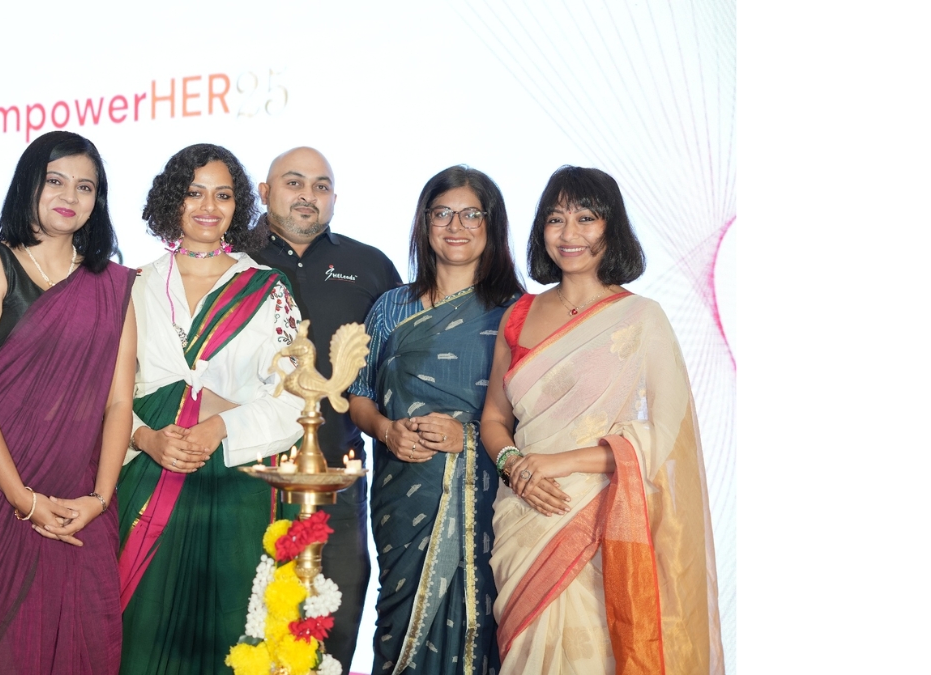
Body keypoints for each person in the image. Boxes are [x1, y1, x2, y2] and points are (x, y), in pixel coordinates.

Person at [479, 166, 724, 674]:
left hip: (601, 516)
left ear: (611, 227)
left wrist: (560, 462)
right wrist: (513, 465)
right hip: (523, 512)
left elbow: (667, 433)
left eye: (586, 218)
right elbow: (494, 419)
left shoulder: (642, 318)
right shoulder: (518, 316)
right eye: (555, 219)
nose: (569, 234)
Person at [0, 130, 136, 675]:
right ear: (29, 184)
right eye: (55, 180)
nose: (70, 195)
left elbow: (119, 402)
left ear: (98, 201)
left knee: (83, 645)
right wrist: (23, 499)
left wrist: (98, 499)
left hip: (80, 502)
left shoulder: (114, 285)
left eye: (85, 186)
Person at [115, 143, 305, 675]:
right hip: (146, 476)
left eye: (223, 195)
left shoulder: (267, 291)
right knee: (139, 635)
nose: (208, 206)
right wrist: (145, 437)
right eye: (194, 192)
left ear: (238, 206)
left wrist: (220, 425)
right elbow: (106, 392)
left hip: (233, 489)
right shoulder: (134, 286)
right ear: (172, 200)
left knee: (229, 638)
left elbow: (296, 398)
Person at [347, 166, 524, 675]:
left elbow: (534, 419)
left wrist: (465, 435)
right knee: (400, 627)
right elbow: (359, 397)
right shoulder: (391, 307)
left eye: (471, 214)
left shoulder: (517, 313)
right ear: (425, 223)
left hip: (488, 500)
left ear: (492, 225)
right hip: (404, 500)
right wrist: (387, 431)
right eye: (442, 213)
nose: (456, 226)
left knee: (484, 623)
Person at [251, 146, 403, 665]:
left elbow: (394, 368)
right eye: (294, 183)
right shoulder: (233, 258)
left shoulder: (369, 265)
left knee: (336, 608)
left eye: (321, 186)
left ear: (335, 197)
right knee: (250, 622)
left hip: (336, 479)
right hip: (243, 476)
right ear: (264, 192)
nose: (308, 196)